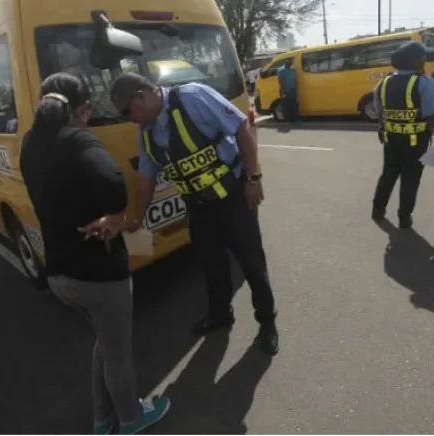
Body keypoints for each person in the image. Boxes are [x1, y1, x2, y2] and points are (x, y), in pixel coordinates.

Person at [19, 72, 171, 435]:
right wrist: (116, 215)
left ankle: (103, 421)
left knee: (104, 343)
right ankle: (133, 420)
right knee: (118, 355)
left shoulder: (29, 143)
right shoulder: (78, 141)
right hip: (99, 273)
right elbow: (115, 187)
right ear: (84, 109)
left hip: (58, 272)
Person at [109, 72, 279, 355]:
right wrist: (137, 219)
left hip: (235, 198)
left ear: (142, 95)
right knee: (212, 267)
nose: (130, 119)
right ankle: (220, 314)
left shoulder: (192, 97)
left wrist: (253, 178)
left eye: (129, 111)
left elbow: (241, 128)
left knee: (252, 265)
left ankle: (267, 323)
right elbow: (146, 179)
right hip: (199, 208)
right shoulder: (146, 132)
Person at [371, 41, 434, 229]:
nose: (425, 59)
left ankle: (377, 210)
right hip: (415, 142)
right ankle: (404, 218)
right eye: (423, 56)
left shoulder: (382, 84)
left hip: (391, 140)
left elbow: (380, 113)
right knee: (410, 180)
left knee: (388, 175)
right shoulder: (422, 82)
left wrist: (383, 129)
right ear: (417, 61)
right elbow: (433, 115)